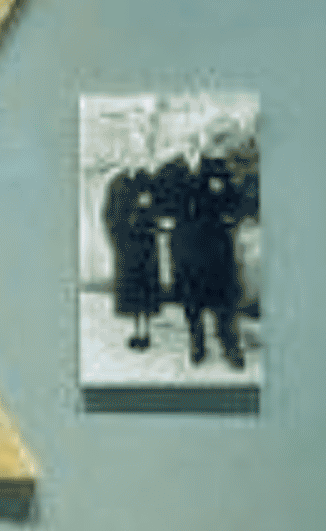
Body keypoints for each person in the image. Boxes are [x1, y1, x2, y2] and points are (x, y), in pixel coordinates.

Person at [170, 148, 247, 368]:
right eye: (185, 144)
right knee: (192, 302)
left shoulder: (217, 169)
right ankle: (197, 345)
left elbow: (236, 203)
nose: (189, 147)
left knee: (223, 302)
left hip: (216, 251)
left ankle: (230, 346)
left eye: (193, 142)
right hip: (187, 250)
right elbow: (165, 203)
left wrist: (229, 214)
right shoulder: (173, 171)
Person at [100, 165, 163, 349]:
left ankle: (145, 330)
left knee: (146, 289)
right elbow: (107, 213)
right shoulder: (116, 182)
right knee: (131, 290)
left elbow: (161, 209)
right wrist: (116, 239)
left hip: (146, 245)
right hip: (125, 246)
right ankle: (136, 331)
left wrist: (150, 216)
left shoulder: (149, 181)